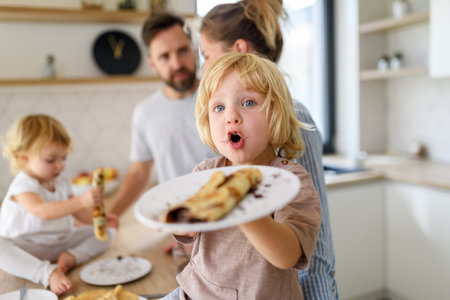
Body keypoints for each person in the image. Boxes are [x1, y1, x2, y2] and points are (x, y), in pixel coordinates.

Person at [199, 1, 338, 298]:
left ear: (238, 50)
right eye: (218, 108)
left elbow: (310, 237)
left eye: (206, 55)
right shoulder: (214, 167)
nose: (203, 66)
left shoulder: (292, 117)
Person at [162, 52, 321, 300]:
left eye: (248, 103)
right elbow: (184, 228)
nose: (231, 117)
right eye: (219, 107)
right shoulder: (206, 173)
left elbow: (287, 255)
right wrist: (182, 213)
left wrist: (241, 208)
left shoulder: (292, 181)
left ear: (275, 113)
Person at [108, 12, 215, 217]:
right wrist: (112, 214)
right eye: (165, 56)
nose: (176, 64)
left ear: (195, 51)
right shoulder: (145, 113)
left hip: (229, 211)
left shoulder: (222, 99)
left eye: (182, 51)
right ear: (153, 64)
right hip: (179, 221)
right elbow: (139, 172)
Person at [0, 114, 116, 295]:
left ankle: (71, 257)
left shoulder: (60, 181)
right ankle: (47, 273)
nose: (60, 165)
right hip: (27, 247)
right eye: (51, 160)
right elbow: (43, 211)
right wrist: (81, 200)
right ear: (24, 158)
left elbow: (79, 212)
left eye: (63, 158)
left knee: (107, 234)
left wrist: (99, 219)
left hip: (59, 242)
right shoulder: (23, 185)